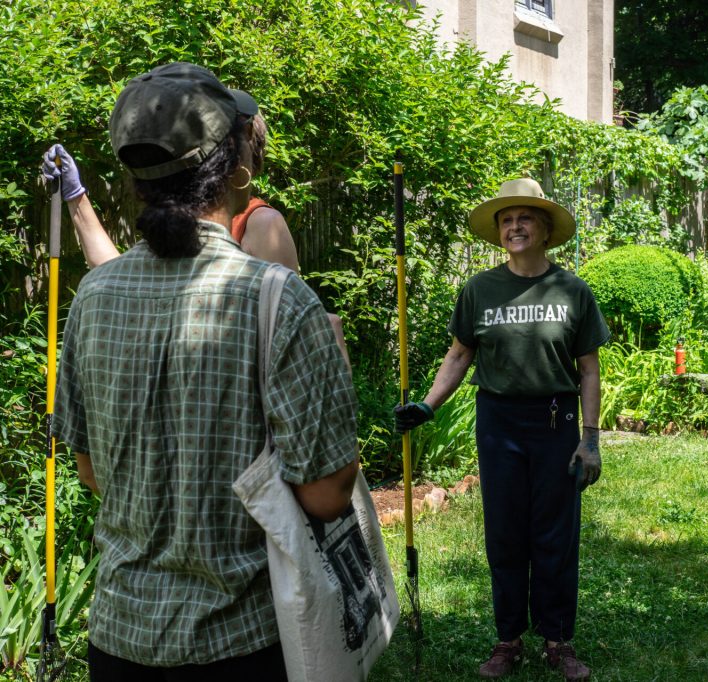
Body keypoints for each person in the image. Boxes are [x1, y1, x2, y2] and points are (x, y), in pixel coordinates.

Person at [51, 61, 359, 681]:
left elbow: (90, 471)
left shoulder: (93, 296)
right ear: (233, 163)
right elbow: (327, 497)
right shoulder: (278, 298)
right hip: (242, 640)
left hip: (119, 637)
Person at [394, 178, 610, 681]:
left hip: (555, 421)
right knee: (505, 532)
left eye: (525, 218)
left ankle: (558, 640)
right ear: (498, 232)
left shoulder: (572, 290)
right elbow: (460, 355)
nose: (515, 227)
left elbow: (588, 369)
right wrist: (427, 405)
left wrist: (590, 438)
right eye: (506, 220)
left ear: (545, 229)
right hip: (499, 424)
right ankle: (507, 640)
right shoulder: (479, 290)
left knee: (555, 534)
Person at [43, 115, 350, 367]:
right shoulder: (177, 221)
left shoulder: (261, 224)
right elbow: (122, 280)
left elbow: (288, 341)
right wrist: (76, 196)